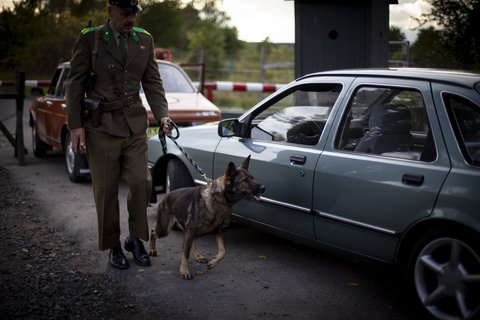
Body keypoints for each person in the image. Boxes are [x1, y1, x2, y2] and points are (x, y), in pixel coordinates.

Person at [66, 0, 171, 270]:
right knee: (106, 189)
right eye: (125, 14)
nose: (130, 20)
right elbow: (75, 82)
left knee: (141, 182)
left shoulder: (144, 40)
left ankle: (134, 238)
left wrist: (163, 114)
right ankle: (112, 245)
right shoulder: (91, 39)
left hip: (134, 123)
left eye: (134, 14)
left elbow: (153, 81)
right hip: (100, 126)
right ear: (110, 10)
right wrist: (75, 125)